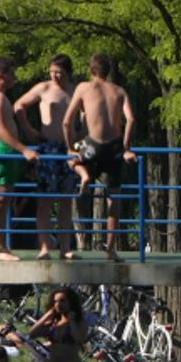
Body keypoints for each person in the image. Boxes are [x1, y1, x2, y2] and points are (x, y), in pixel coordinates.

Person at [63, 54, 139, 261]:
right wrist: (126, 147)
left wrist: (71, 147)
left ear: (91, 70)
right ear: (109, 71)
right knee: (114, 198)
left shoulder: (83, 88)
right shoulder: (119, 91)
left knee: (70, 158)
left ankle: (83, 173)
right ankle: (111, 248)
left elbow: (67, 122)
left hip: (91, 145)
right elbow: (131, 119)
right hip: (114, 148)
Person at [17, 54, 84, 260]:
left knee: (65, 201)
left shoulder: (75, 91)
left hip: (68, 149)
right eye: (52, 71)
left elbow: (88, 114)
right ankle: (44, 246)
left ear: (68, 73)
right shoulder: (44, 88)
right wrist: (29, 129)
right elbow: (19, 106)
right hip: (48, 148)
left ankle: (65, 247)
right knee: (45, 201)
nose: (55, 76)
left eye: (60, 72)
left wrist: (80, 136)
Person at [0, 56, 39, 261]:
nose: (15, 78)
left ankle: (2, 247)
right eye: (11, 74)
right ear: (0, 75)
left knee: (4, 201)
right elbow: (0, 128)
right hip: (0, 151)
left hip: (2, 151)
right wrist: (24, 149)